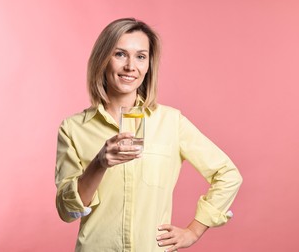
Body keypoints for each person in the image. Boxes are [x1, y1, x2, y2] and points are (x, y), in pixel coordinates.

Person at [55, 17, 243, 252]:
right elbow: (66, 211)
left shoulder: (170, 122)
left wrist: (194, 230)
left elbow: (227, 174)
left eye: (141, 56)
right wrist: (99, 163)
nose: (130, 66)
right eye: (120, 54)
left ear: (148, 64)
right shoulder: (73, 128)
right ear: (102, 59)